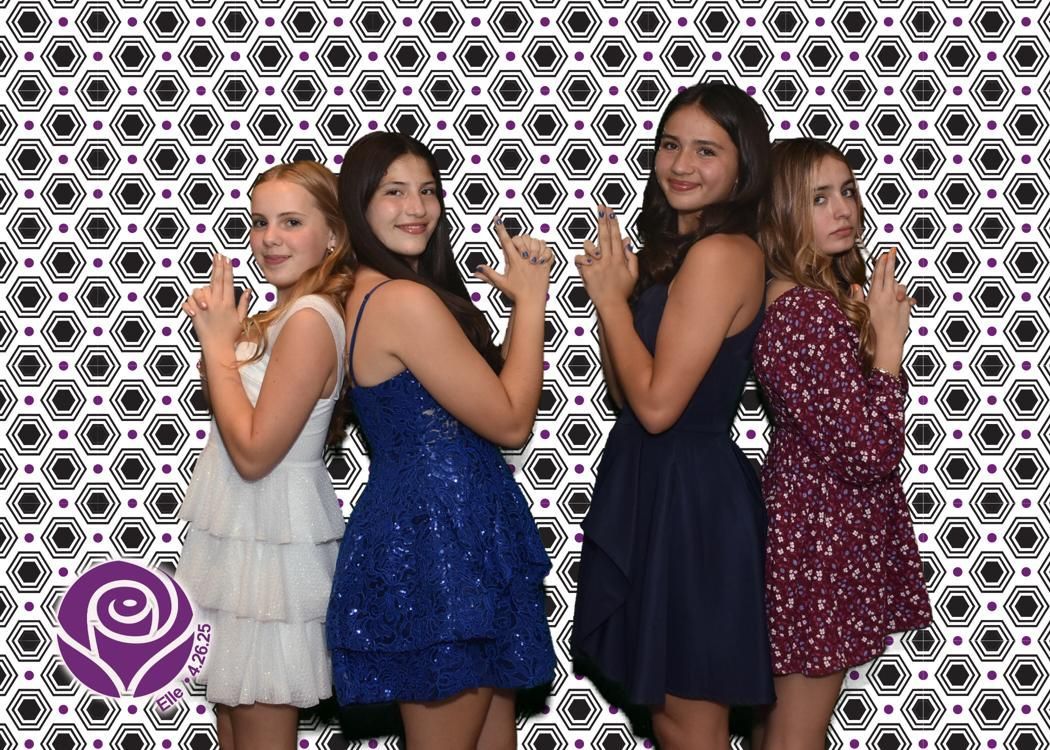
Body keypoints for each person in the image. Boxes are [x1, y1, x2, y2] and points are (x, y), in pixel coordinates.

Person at [325, 131, 556, 750]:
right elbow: (510, 421)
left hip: (457, 531)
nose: (416, 208)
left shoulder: (375, 293)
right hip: (438, 541)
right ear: (358, 206)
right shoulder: (402, 299)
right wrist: (532, 302)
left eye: (427, 190)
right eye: (393, 192)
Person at [571, 82, 775, 748]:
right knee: (671, 720)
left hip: (692, 502)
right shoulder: (682, 253)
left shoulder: (722, 254)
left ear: (743, 167)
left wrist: (607, 302)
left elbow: (657, 408)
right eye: (670, 145)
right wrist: (621, 298)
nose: (681, 164)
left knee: (689, 721)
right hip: (659, 487)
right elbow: (625, 392)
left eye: (707, 151)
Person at [751, 138, 932, 749]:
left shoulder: (800, 300)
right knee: (798, 733)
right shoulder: (807, 310)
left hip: (814, 528)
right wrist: (887, 344)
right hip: (822, 538)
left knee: (788, 726)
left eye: (847, 192)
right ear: (780, 213)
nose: (842, 209)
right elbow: (870, 453)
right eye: (818, 198)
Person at [177, 161, 353, 749]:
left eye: (291, 222)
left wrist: (216, 345)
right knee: (233, 727)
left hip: (271, 543)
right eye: (259, 222)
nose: (269, 237)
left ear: (333, 234)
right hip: (244, 534)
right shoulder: (282, 313)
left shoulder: (309, 319)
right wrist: (226, 336)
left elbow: (254, 452)